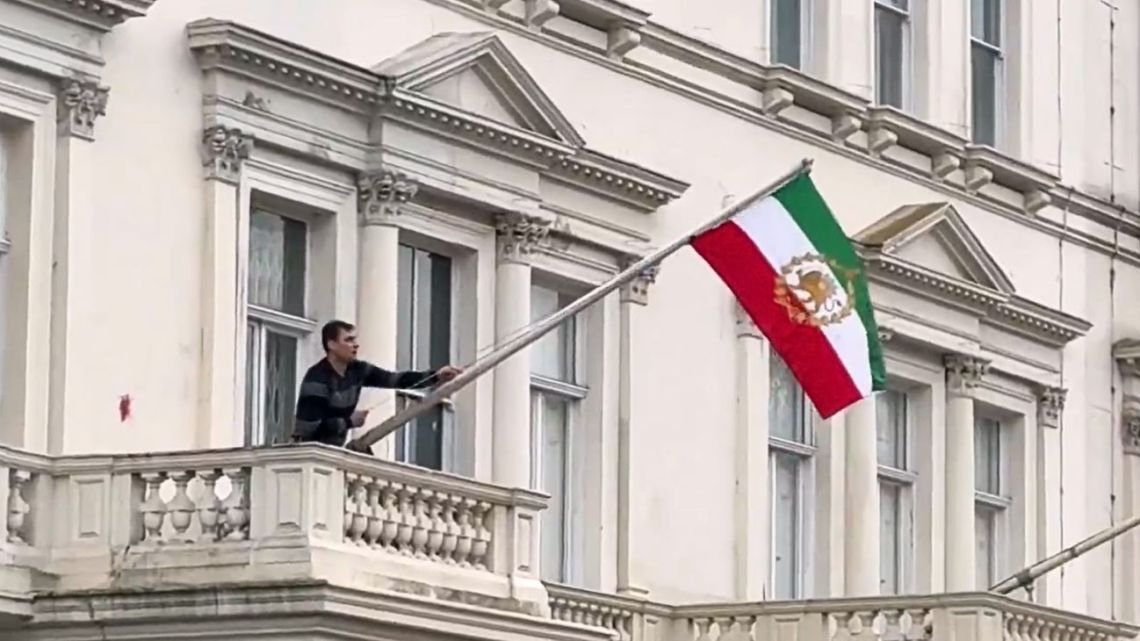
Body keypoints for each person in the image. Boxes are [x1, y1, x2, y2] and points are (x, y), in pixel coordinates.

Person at [292, 320, 462, 449]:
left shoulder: (358, 370)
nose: (356, 344)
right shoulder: (317, 379)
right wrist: (348, 421)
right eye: (349, 340)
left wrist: (436, 376)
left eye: (355, 339)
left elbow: (395, 379)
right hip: (309, 455)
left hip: (331, 452)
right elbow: (308, 429)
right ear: (332, 344)